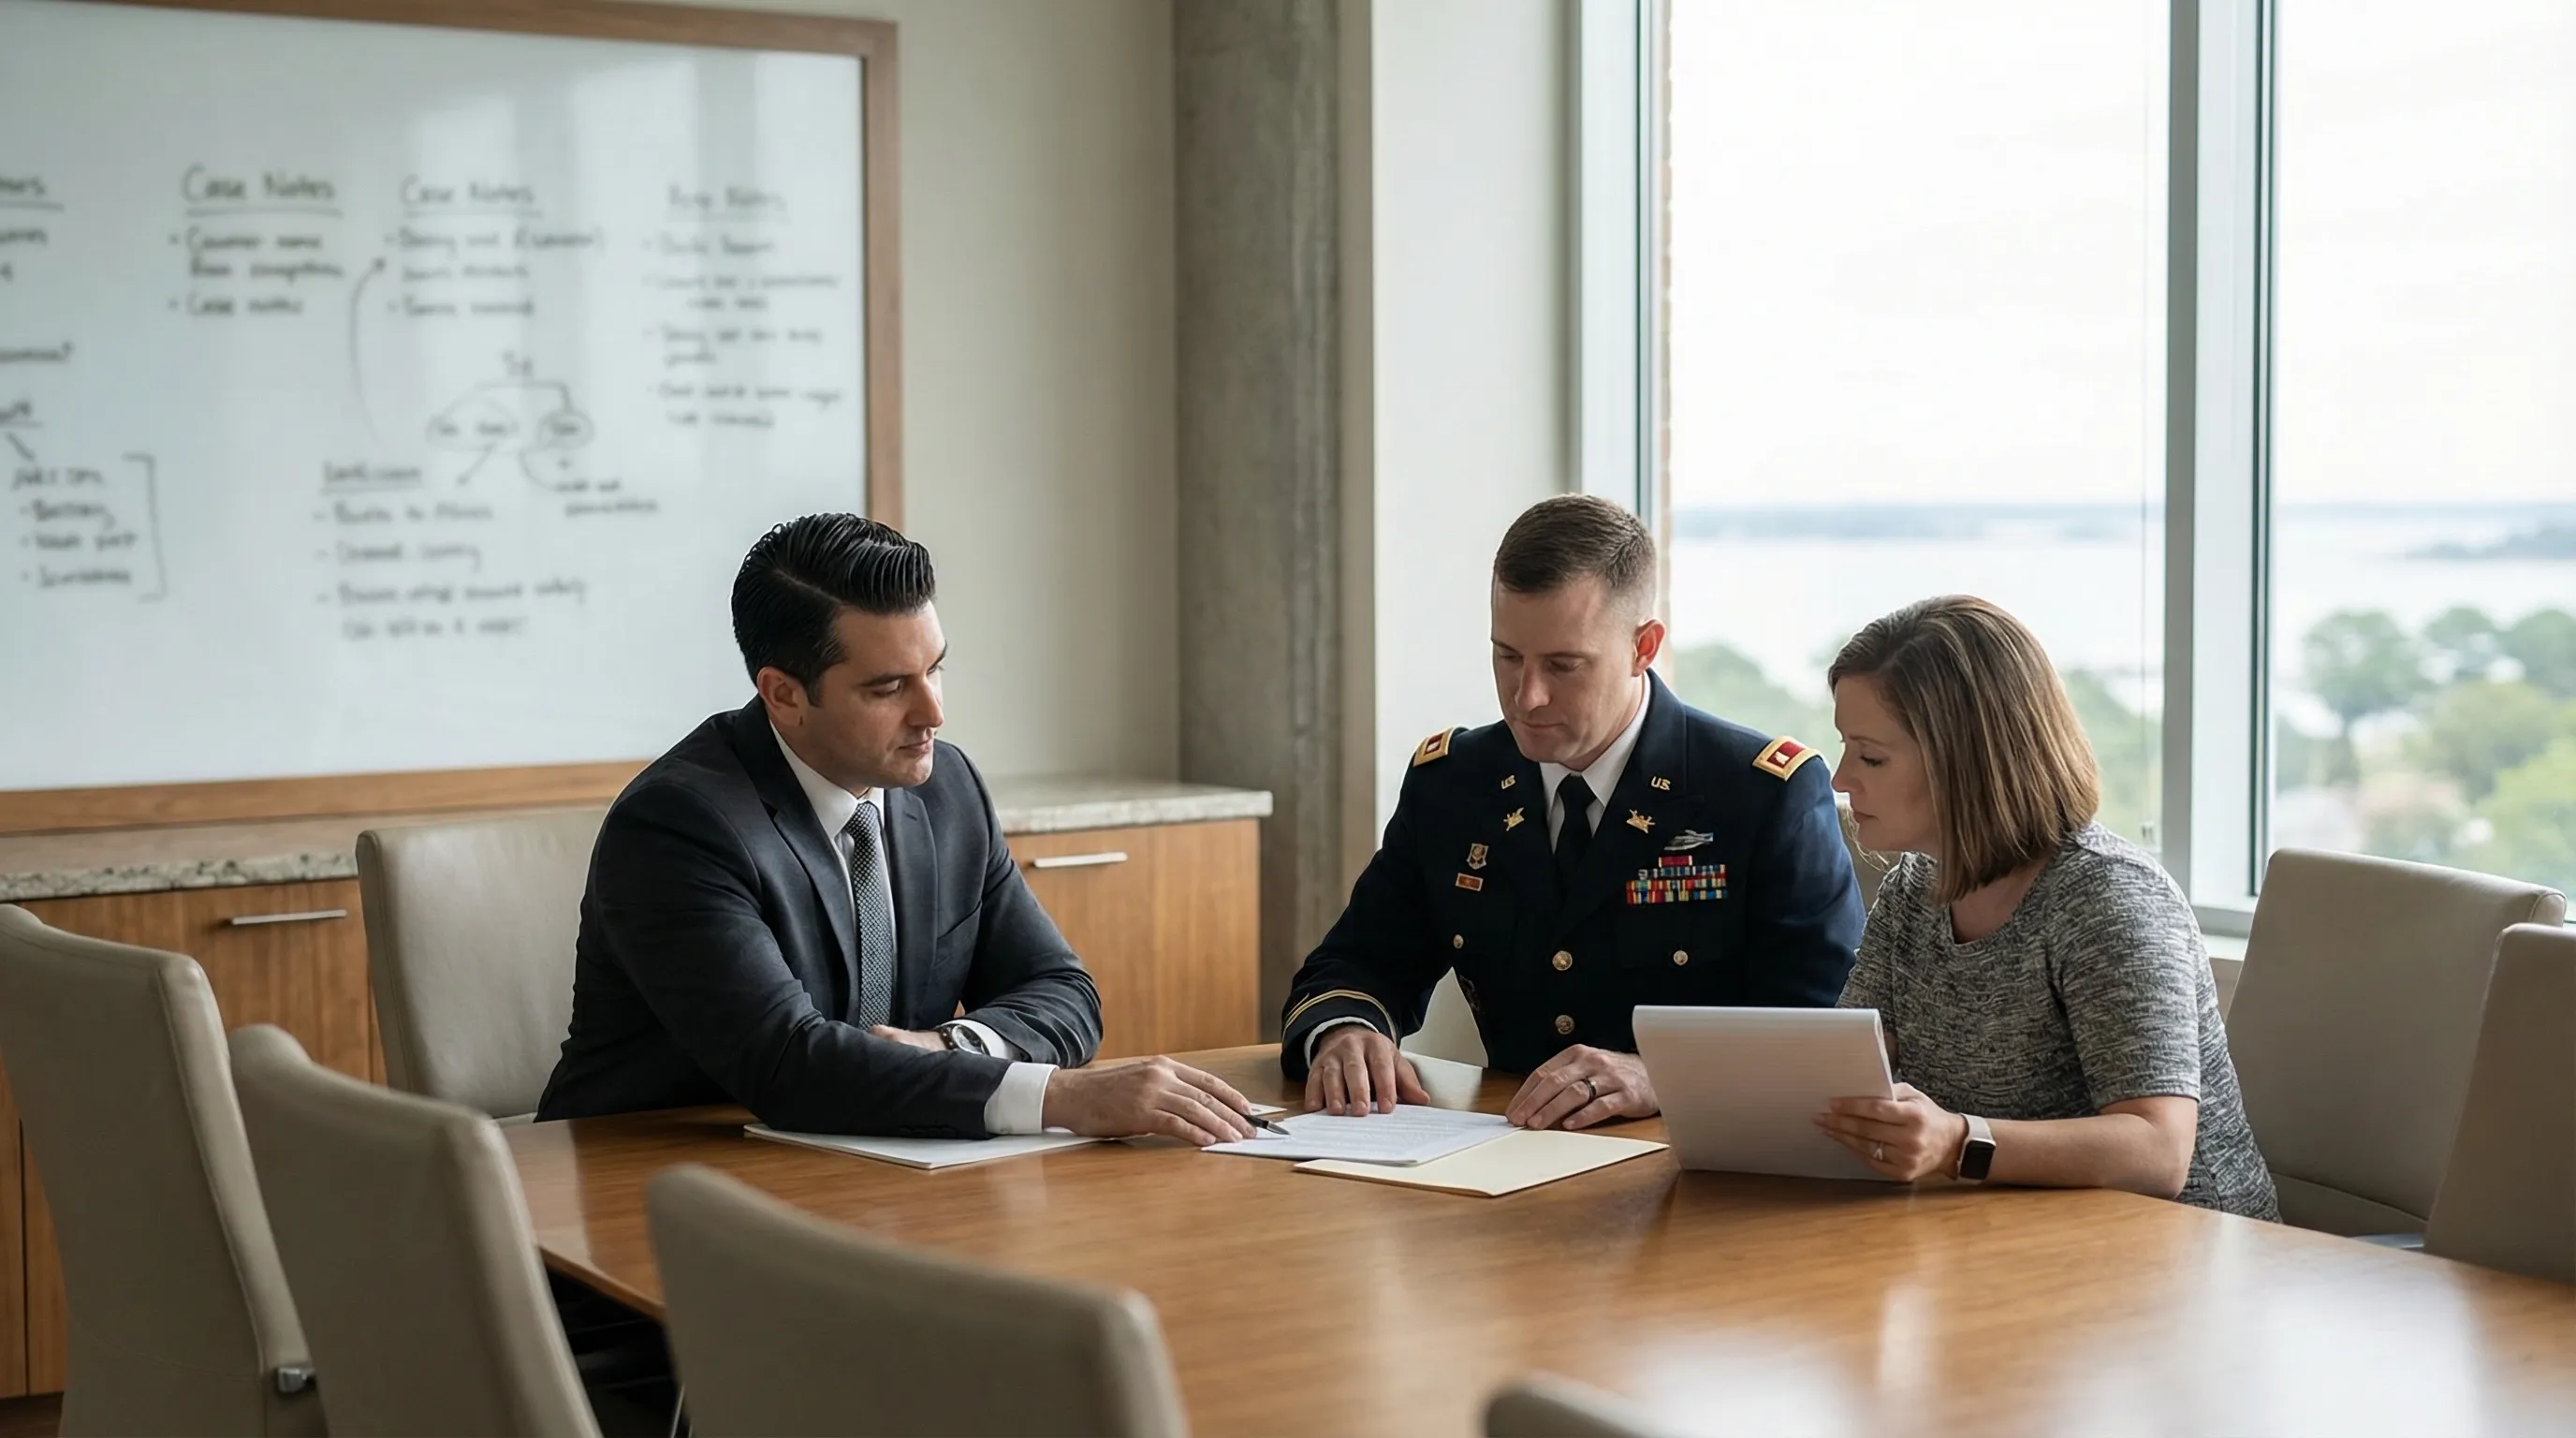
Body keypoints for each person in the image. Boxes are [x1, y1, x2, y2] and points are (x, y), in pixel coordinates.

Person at [537, 515, 1258, 1146]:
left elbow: (1063, 991)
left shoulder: (949, 789)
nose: (933, 713)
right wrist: (1058, 1097)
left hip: (877, 1169)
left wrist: (951, 1044)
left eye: (935, 670)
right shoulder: (678, 825)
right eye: (888, 688)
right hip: (652, 1184)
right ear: (783, 695)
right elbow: (788, 1065)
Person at [1281, 495, 1863, 1128]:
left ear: (1644, 647)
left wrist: (1663, 1075)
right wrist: (1346, 1033)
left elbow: (1825, 1033)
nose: (1527, 697)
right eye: (1507, 656)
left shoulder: (1760, 795)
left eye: (1563, 665)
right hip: (1506, 1153)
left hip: (1695, 1154)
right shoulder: (1453, 784)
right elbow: (1359, 961)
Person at [1815, 595, 2278, 1218]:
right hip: (2005, 1227)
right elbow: (1850, 1067)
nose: (1841, 779)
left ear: (1967, 762)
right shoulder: (1914, 887)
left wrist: (1958, 1142)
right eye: (1846, 748)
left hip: (2183, 1248)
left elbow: (2157, 1151)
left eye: (1871, 756)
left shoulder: (2108, 897)